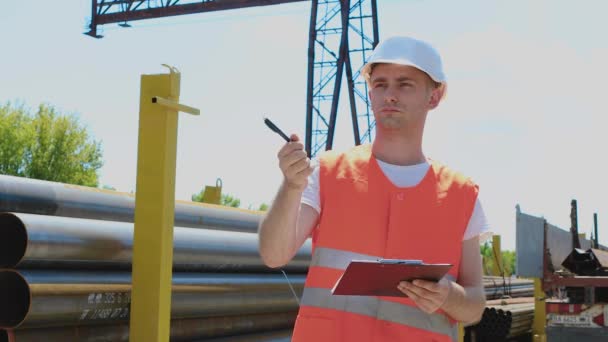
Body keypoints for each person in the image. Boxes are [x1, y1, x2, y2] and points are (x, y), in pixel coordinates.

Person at [258, 36, 489, 341]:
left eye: (404, 84)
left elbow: (475, 306)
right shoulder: (327, 173)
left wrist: (448, 297)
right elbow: (274, 254)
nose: (389, 95)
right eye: (380, 84)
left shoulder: (461, 195)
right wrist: (290, 186)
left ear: (434, 97)